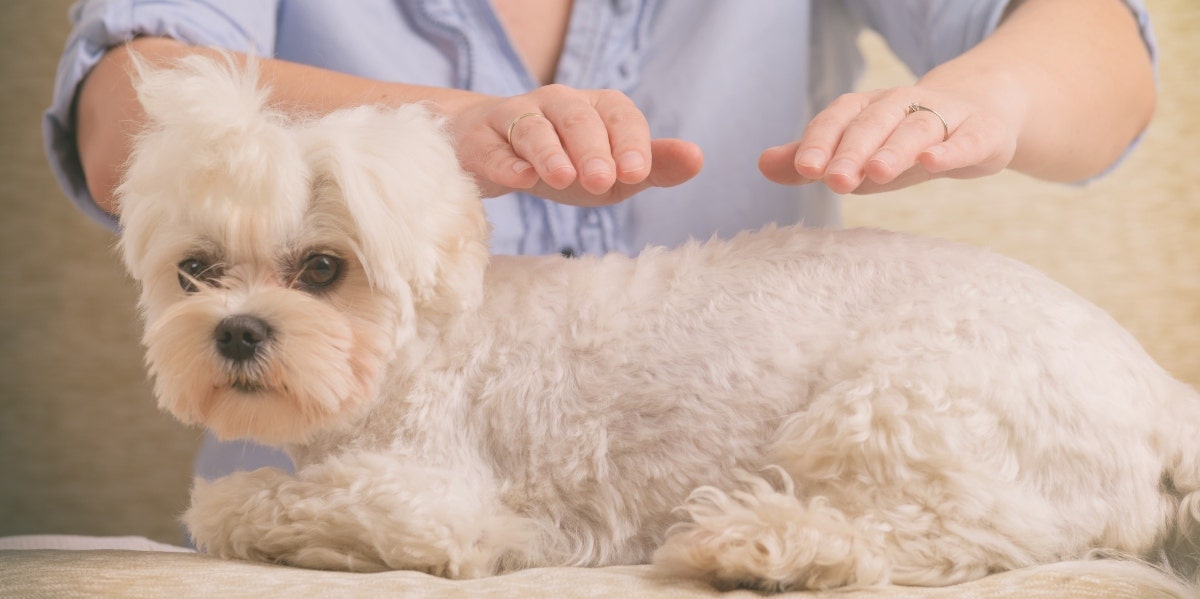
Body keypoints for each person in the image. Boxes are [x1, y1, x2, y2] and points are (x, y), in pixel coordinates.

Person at [45, 1, 1156, 482]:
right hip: (327, 529)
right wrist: (440, 137)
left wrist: (996, 97)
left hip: (746, 514)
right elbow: (122, 116)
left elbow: (1110, 62)